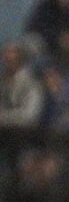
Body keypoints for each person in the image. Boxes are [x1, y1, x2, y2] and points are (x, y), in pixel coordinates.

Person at [0, 42, 43, 177]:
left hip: (23, 133)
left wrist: (4, 117)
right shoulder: (2, 82)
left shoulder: (32, 83)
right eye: (6, 59)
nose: (9, 62)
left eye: (12, 59)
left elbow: (30, 115)